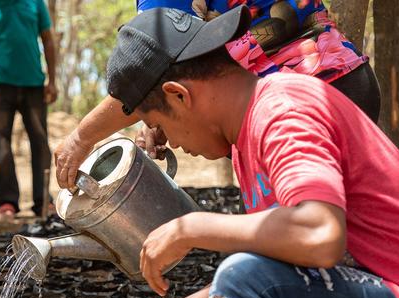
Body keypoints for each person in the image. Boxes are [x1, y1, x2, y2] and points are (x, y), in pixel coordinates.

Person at [105, 6, 399, 298]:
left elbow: (319, 235)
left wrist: (191, 227)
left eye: (160, 126)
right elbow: (279, 275)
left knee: (244, 278)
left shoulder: (282, 110)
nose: (172, 142)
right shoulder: (246, 139)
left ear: (178, 94)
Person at [54, 0, 381, 190]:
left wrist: (82, 137)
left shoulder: (282, 121)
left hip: (304, 97)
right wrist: (156, 116)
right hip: (341, 74)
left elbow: (149, 67)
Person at [0, 0, 58, 220]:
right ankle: (7, 201)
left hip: (33, 84)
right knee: (0, 144)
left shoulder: (35, 3)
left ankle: (43, 200)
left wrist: (53, 80)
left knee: (40, 141)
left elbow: (47, 40)